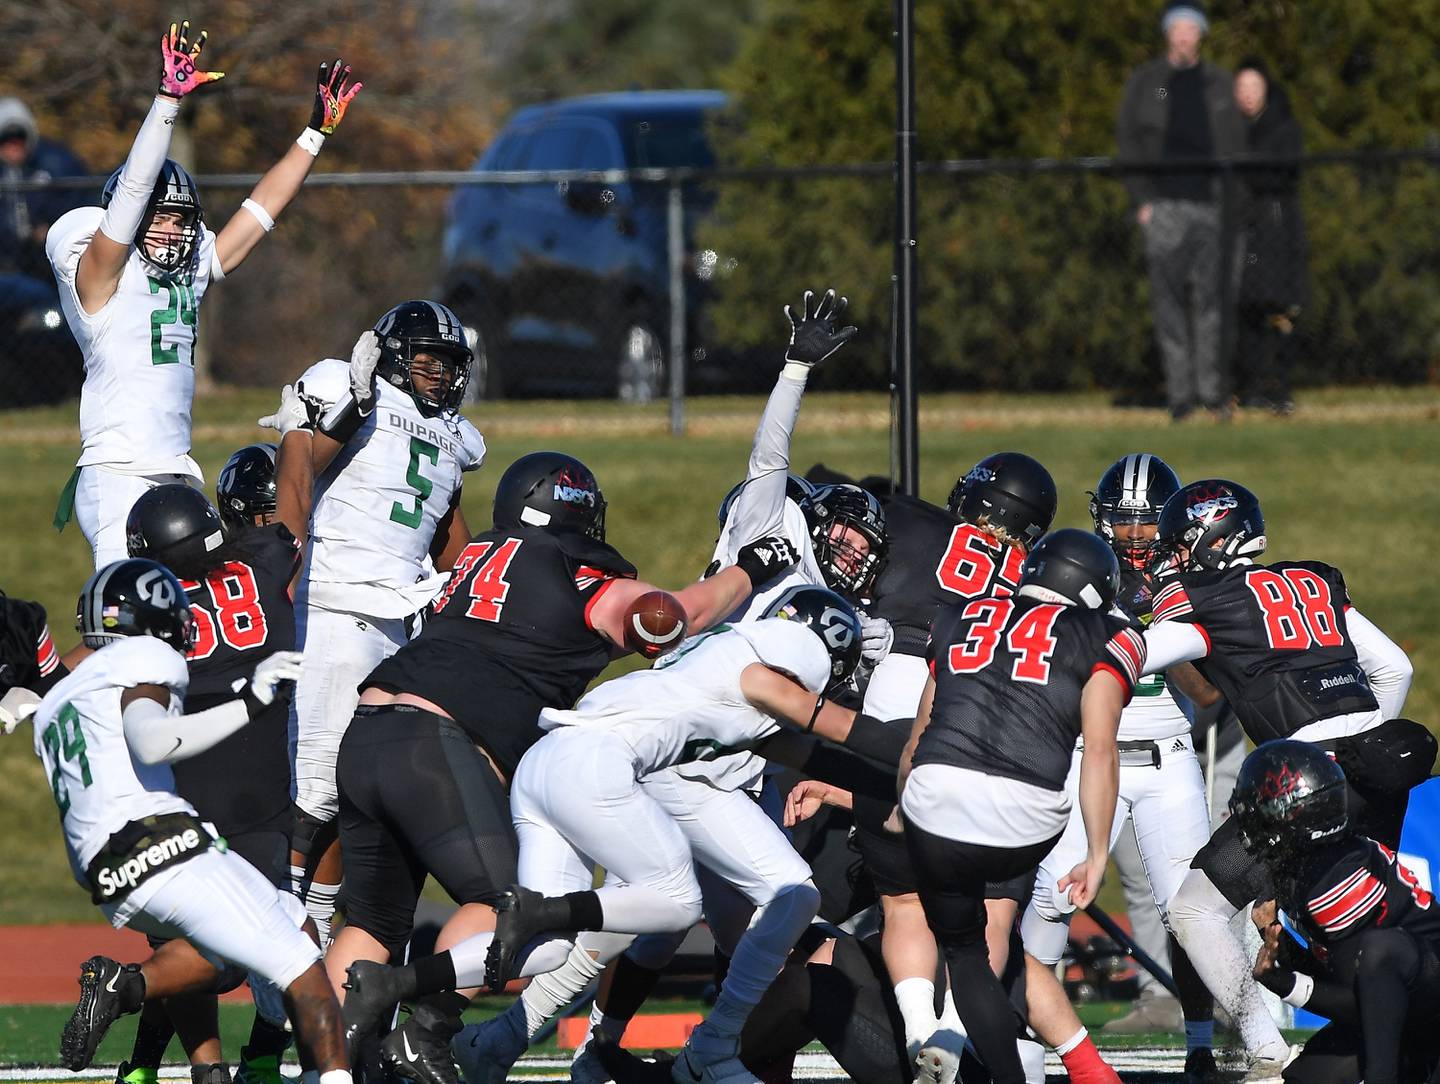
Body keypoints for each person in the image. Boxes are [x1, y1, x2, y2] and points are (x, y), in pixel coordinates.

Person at [324, 449, 800, 1083]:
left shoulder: (476, 558)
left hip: (370, 727)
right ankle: (427, 1030)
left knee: (372, 923)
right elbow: (668, 620)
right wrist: (748, 570)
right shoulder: (579, 573)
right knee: (507, 907)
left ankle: (324, 1071)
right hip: (438, 740)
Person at [342, 589, 876, 1084]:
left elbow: (794, 750)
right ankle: (696, 1046)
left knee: (562, 946)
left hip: (556, 753)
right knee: (682, 904)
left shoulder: (732, 649)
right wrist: (931, 756)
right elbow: (821, 732)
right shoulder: (771, 665)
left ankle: (402, 991)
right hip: (625, 768)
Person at [46, 19, 361, 568]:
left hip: (177, 471)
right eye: (158, 219)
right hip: (118, 474)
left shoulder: (189, 267)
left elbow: (259, 214)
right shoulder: (98, 280)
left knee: (197, 623)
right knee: (135, 620)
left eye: (179, 220)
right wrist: (167, 101)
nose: (171, 231)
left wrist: (313, 136)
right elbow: (133, 193)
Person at [1140, 479, 1421, 1078]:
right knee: (1356, 922)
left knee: (1196, 911)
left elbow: (1136, 656)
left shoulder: (1206, 597)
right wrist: (1361, 741)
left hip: (1303, 781)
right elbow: (1394, 665)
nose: (1177, 556)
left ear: (1209, 537)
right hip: (1374, 763)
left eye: (1182, 543)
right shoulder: (1312, 581)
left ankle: (1266, 1050)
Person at [29, 558, 347, 1083]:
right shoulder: (147, 655)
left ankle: (125, 986)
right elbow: (149, 737)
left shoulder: (66, 693)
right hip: (162, 845)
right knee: (302, 965)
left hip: (104, 874)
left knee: (290, 925)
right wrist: (251, 701)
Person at [263, 302, 485, 949]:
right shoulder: (350, 388)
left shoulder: (454, 437)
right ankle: (276, 931)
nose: (439, 376)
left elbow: (448, 537)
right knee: (312, 792)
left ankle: (323, 932)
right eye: (427, 361)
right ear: (392, 356)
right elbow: (299, 459)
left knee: (351, 793)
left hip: (398, 625)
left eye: (448, 365)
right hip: (336, 606)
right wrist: (288, 544)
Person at [898, 529, 1143, 1084]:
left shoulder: (960, 616)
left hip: (935, 798)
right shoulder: (1110, 634)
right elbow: (1100, 749)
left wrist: (902, 811)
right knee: (998, 930)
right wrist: (1098, 853)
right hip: (1025, 816)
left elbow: (918, 739)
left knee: (965, 955)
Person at [852, 451, 1056, 1079]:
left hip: (893, 689)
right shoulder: (1041, 570)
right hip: (992, 714)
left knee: (903, 897)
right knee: (992, 908)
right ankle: (956, 1037)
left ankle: (918, 1032)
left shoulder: (906, 523)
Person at [1020, 454, 1220, 1082]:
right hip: (1084, 756)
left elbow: (1209, 692)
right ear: (1103, 520)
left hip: (1167, 760)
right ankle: (1027, 1044)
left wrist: (1153, 620)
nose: (1135, 535)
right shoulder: (1077, 572)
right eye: (1124, 521)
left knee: (1188, 909)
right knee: (1052, 896)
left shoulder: (1190, 582)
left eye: (1146, 522)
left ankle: (1202, 1045)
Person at [117, 475, 300, 1084]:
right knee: (246, 944)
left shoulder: (151, 610)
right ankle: (266, 1059)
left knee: (186, 937)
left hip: (189, 774)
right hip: (265, 782)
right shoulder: (267, 559)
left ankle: (191, 1066)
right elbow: (287, 529)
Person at [1235, 741, 1440, 1084]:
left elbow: (1366, 1004)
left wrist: (1282, 982)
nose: (1253, 815)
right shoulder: (1309, 865)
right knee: (1304, 1079)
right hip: (1411, 1005)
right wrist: (1279, 944)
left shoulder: (1336, 879)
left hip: (1427, 1006)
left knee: (1381, 951)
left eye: (1265, 805)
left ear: (1295, 813)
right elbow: (1341, 974)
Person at [1116, 1, 1245, 421]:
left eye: (1192, 29)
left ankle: (1212, 391)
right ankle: (1180, 396)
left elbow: (1241, 144)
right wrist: (1142, 202)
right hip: (1165, 207)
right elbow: (1129, 141)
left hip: (1213, 205)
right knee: (1168, 303)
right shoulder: (1149, 83)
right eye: (1178, 29)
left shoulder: (1221, 84)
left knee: (1212, 303)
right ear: (1168, 34)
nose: (1185, 37)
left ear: (1202, 35)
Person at [1233, 59, 1308, 414]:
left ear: (1265, 90)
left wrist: (1246, 169)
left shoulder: (1283, 128)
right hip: (1243, 232)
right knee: (1247, 308)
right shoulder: (1230, 129)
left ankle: (1280, 387)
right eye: (1241, 88)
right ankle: (1251, 387)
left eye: (1253, 87)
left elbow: (1280, 175)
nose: (1247, 95)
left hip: (1275, 230)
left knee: (1278, 307)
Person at [0, 96, 88, 278]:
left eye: (19, 137)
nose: (13, 145)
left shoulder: (57, 164)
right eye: (6, 138)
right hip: (8, 262)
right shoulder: (6, 173)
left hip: (51, 261)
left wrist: (53, 228)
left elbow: (81, 204)